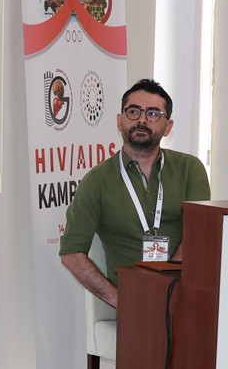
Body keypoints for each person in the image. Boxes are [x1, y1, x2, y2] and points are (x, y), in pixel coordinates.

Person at [59, 79, 212, 307]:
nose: (142, 120)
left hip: (185, 299)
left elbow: (198, 234)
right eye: (133, 111)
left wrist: (169, 290)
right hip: (133, 304)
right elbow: (71, 253)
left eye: (153, 114)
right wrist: (120, 300)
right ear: (120, 121)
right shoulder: (97, 181)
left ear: (168, 127)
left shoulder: (190, 170)